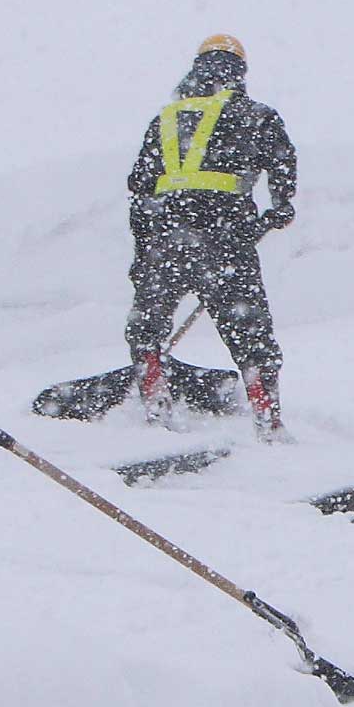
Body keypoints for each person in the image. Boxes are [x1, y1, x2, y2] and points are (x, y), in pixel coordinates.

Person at [126, 34, 298, 436]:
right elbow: (282, 162)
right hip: (225, 237)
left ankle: (155, 399)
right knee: (249, 330)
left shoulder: (165, 119)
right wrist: (279, 206)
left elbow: (139, 186)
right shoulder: (254, 115)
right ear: (238, 72)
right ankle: (266, 415)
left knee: (147, 328)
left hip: (164, 238)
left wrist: (144, 251)